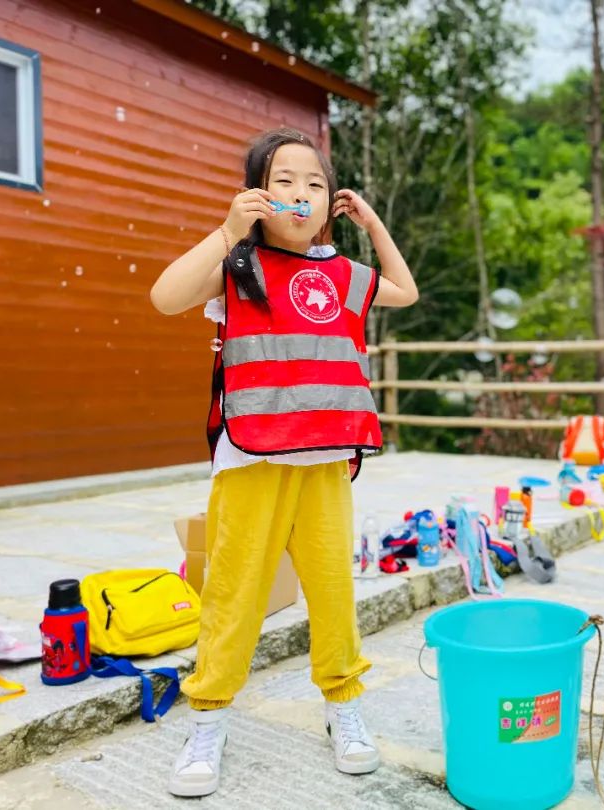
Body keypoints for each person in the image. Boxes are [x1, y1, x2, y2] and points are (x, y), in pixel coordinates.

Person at [149, 127, 418, 798]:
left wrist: (374, 222)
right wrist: (225, 230)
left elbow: (405, 291)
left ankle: (343, 706)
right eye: (284, 180)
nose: (301, 193)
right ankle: (209, 716)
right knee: (235, 594)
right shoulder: (237, 268)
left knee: (333, 592)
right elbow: (164, 296)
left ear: (333, 204)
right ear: (258, 195)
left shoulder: (346, 276)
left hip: (325, 460)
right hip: (250, 458)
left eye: (316, 184)